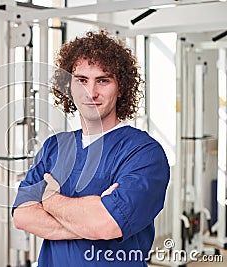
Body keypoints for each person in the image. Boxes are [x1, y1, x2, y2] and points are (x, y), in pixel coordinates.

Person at [12, 30, 170, 266]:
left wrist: (50, 199)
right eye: (81, 80)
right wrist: (90, 219)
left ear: (121, 87)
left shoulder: (144, 153)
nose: (91, 92)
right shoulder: (54, 147)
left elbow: (107, 224)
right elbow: (22, 216)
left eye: (103, 80)